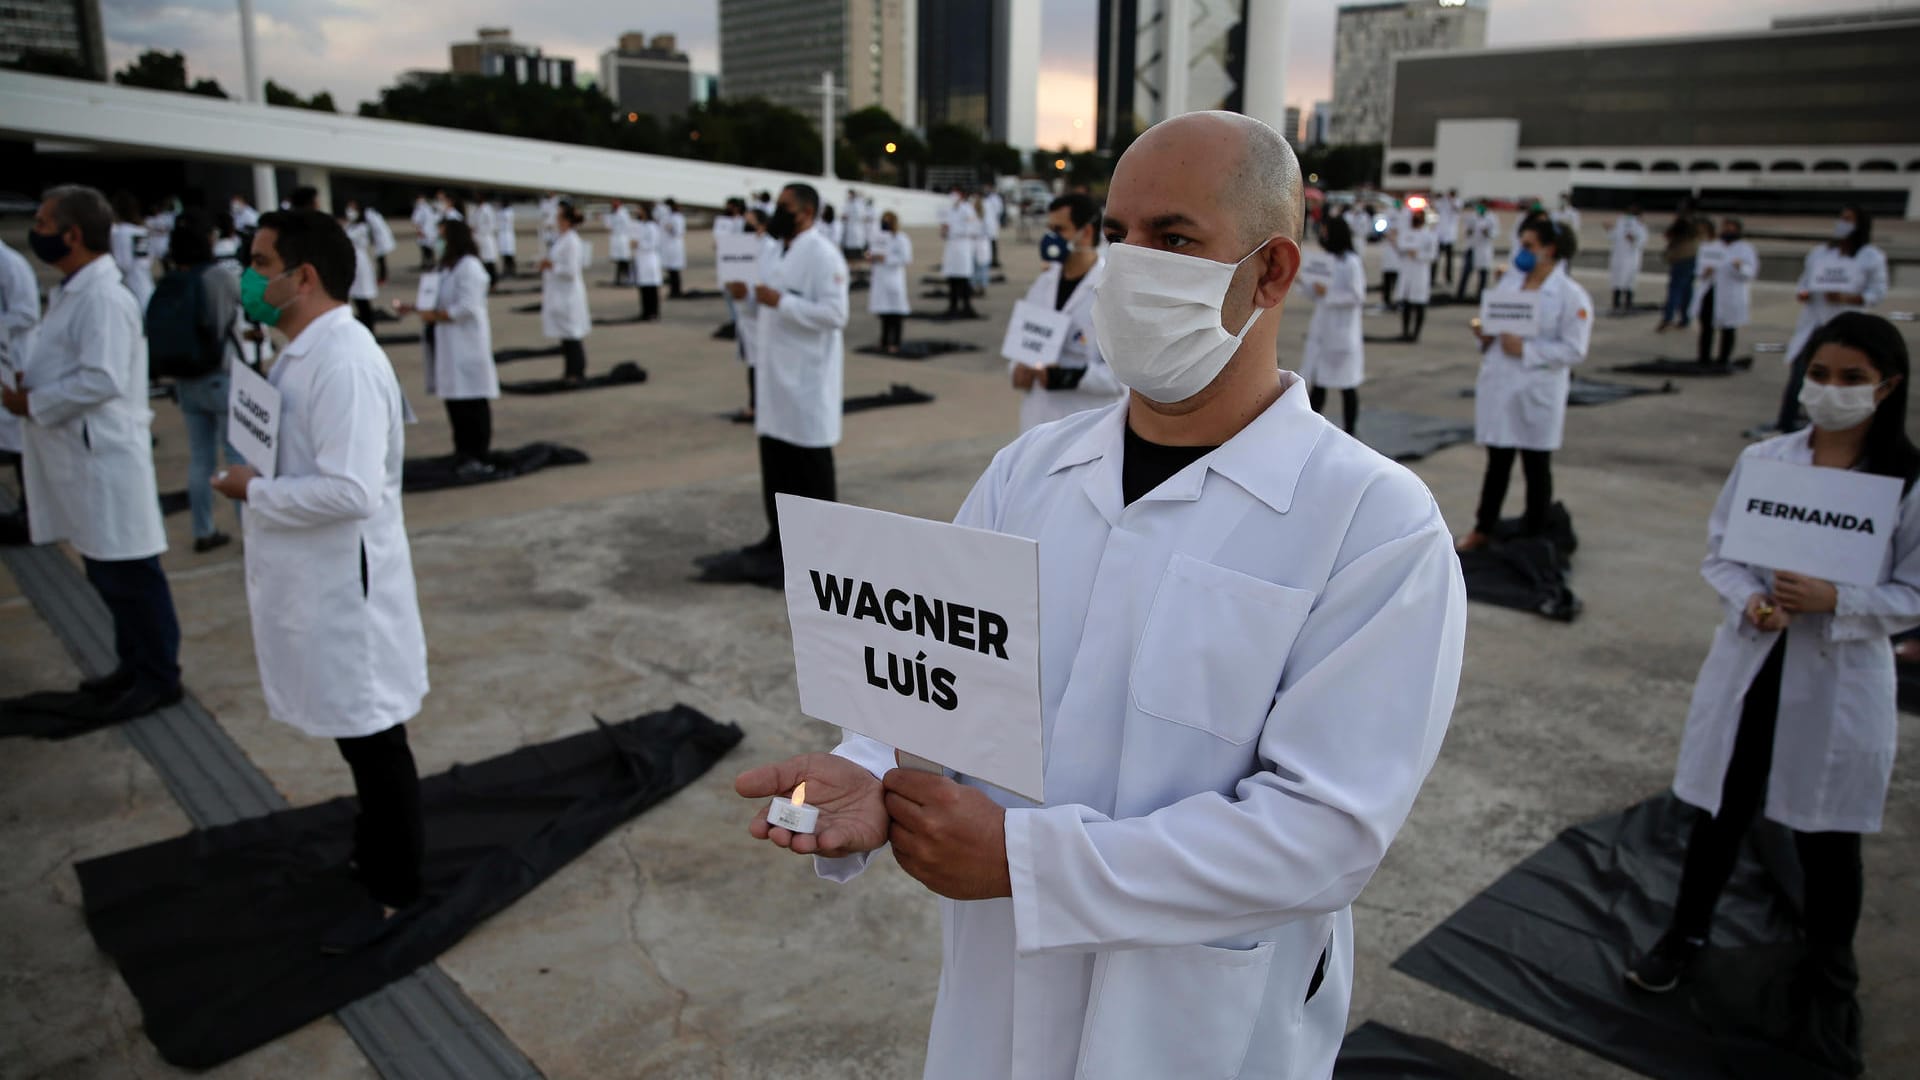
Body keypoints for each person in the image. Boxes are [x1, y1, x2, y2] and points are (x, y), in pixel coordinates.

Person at [735, 112, 1465, 1080]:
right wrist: (873, 768)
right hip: (1000, 999)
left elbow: (1323, 836)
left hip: (1197, 1027)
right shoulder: (1027, 473)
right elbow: (945, 679)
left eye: (1173, 239)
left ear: (1272, 271)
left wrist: (1028, 864)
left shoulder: (1372, 523)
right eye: (1116, 234)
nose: (1126, 265)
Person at [1625, 312, 1917, 1076]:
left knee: (1827, 839)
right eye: (1820, 374)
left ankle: (1829, 968)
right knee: (1722, 810)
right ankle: (1684, 935)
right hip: (1756, 662)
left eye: (1852, 379)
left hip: (1837, 674)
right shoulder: (1769, 462)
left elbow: (1914, 591)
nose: (1832, 391)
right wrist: (1752, 600)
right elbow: (1723, 551)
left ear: (1887, 387)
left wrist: (1838, 601)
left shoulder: (1906, 483)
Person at [208, 207, 430, 954]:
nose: (250, 276)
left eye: (261, 264)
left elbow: (352, 491)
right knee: (357, 735)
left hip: (348, 586)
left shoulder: (344, 361)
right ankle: (375, 854)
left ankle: (399, 880)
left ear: (304, 277)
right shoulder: (302, 350)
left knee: (374, 736)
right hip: (319, 578)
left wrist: (253, 493)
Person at [5, 184, 182, 721]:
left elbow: (101, 378)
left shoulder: (105, 297)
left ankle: (158, 674)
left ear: (72, 234)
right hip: (82, 456)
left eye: (42, 221)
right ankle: (133, 664)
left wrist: (33, 402)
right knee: (108, 571)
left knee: (131, 571)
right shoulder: (75, 291)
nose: (37, 232)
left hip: (104, 455)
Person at [701, 183, 848, 585]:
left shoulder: (822, 255)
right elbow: (760, 302)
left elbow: (835, 314)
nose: (776, 213)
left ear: (806, 212)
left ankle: (818, 552)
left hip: (806, 383)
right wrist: (745, 296)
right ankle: (778, 539)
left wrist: (781, 302)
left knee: (808, 469)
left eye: (784, 207)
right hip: (775, 381)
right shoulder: (773, 250)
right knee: (776, 466)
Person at [1456, 218, 1593, 552]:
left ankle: (1535, 531)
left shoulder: (1570, 296)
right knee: (1497, 463)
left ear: (1550, 250)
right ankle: (1483, 528)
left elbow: (1574, 349)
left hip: (1537, 389)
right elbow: (1492, 324)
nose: (1522, 252)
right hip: (1501, 385)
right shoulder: (1510, 285)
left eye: (1530, 246)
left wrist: (1528, 350)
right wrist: (1485, 336)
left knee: (1536, 465)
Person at [152, 211, 242, 553]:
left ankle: (203, 529)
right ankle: (250, 530)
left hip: (185, 380)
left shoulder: (171, 282)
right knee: (236, 457)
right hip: (219, 374)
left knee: (200, 459)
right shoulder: (218, 276)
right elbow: (245, 301)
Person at [1773, 206, 1891, 435]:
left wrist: (1846, 297)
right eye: (1841, 218)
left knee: (1834, 381)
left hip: (1845, 327)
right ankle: (1786, 424)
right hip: (1812, 324)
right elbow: (1804, 281)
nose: (1842, 223)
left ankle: (1827, 426)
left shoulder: (1871, 257)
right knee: (1799, 376)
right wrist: (1804, 291)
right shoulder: (1820, 253)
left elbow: (1877, 293)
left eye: (1848, 219)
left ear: (1860, 225)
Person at [1009, 193, 1120, 432]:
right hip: (1036, 421)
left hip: (1085, 425)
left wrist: (1066, 377)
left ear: (1087, 232)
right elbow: (1022, 347)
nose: (1050, 238)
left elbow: (1123, 378)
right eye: (1049, 229)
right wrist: (1017, 371)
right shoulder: (1042, 285)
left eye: (1060, 230)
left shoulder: (1112, 291)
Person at [409, 219, 498, 476]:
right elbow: (438, 299)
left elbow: (468, 307)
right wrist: (416, 308)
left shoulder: (470, 267)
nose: (438, 242)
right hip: (448, 345)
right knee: (455, 403)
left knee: (473, 403)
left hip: (466, 346)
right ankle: (462, 452)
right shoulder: (448, 268)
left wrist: (436, 316)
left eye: (442, 237)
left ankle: (478, 455)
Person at [1302, 217, 1368, 435]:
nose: (1323, 236)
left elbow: (1357, 296)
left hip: (1342, 333)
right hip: (1323, 330)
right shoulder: (1326, 259)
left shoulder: (1351, 262)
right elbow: (1316, 293)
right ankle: (1307, 432)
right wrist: (1307, 284)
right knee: (1318, 384)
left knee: (1347, 386)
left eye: (1326, 232)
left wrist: (1328, 294)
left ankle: (1351, 431)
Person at [0, 234, 41, 537]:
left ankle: (31, 513)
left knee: (22, 445)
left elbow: (27, 312)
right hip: (5, 364)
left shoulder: (11, 264)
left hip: (16, 363)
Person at [725, 208, 783, 422]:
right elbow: (733, 283)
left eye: (750, 223)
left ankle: (761, 407)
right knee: (753, 363)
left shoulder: (771, 248)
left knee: (763, 365)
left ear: (762, 226)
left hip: (761, 316)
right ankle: (755, 405)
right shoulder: (739, 246)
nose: (746, 227)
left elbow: (767, 283)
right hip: (746, 315)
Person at [1690, 217, 1758, 368]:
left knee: (1728, 327)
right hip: (1711, 290)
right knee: (1706, 325)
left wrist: (1739, 267)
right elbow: (1699, 268)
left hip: (1730, 293)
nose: (1727, 230)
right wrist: (1704, 271)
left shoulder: (1745, 249)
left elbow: (1751, 272)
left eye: (1731, 228)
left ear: (1738, 230)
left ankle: (1723, 359)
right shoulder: (1711, 246)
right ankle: (1703, 358)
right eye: (1725, 227)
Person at [540, 201, 592, 384]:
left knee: (572, 334)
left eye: (559, 218)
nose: (556, 221)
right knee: (565, 335)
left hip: (568, 293)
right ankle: (569, 370)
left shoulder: (572, 241)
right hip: (559, 292)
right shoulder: (561, 239)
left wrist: (551, 266)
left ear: (567, 221)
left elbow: (571, 270)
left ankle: (577, 371)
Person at [866, 210, 913, 356]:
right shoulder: (878, 237)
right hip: (880, 278)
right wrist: (872, 257)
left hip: (893, 278)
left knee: (896, 313)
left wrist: (886, 259)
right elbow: (872, 251)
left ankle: (896, 342)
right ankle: (884, 340)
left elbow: (906, 259)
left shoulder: (901, 238)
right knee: (884, 312)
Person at [1392, 208, 1439, 343]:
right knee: (1406, 304)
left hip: (1420, 272)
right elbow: (1400, 250)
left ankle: (1416, 334)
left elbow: (1433, 255)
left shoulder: (1429, 235)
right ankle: (1405, 332)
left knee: (1419, 304)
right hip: (1407, 271)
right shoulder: (1406, 233)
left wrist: (1418, 255)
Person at [1657, 200, 1700, 333]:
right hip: (1693, 257)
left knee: (1675, 289)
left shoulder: (1683, 222)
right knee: (1687, 289)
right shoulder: (1697, 221)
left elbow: (1669, 235)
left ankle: (1668, 318)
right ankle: (1685, 318)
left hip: (1681, 258)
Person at [109, 192, 156, 313]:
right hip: (147, 284)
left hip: (130, 287)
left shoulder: (121, 233)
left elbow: (123, 263)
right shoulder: (142, 231)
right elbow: (149, 259)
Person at [940, 186, 979, 317]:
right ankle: (953, 306)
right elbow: (944, 230)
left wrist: (954, 230)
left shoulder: (967, 209)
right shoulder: (948, 210)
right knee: (952, 278)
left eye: (955, 193)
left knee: (963, 278)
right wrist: (944, 230)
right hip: (951, 247)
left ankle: (967, 306)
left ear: (961, 195)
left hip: (963, 246)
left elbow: (972, 228)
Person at [339, 205, 380, 331]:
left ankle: (370, 326)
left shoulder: (362, 226)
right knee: (357, 297)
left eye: (353, 208)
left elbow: (347, 236)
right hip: (353, 260)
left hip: (360, 262)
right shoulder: (351, 225)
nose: (350, 211)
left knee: (364, 298)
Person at [1607, 205, 1648, 313]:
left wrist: (1633, 240)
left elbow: (1642, 241)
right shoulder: (1620, 222)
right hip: (1618, 256)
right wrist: (1609, 230)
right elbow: (1613, 236)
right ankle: (1616, 303)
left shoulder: (1639, 226)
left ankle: (1628, 303)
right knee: (1617, 280)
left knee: (1630, 280)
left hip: (1631, 258)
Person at [1456, 201, 1498, 303]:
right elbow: (1466, 231)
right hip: (1472, 248)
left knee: (1483, 274)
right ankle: (1460, 295)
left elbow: (1495, 232)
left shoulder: (1492, 218)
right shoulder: (1472, 217)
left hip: (1484, 249)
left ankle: (1480, 296)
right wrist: (1469, 231)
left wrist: (1487, 232)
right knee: (1466, 272)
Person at [632, 202, 664, 321]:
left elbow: (653, 244)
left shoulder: (652, 226)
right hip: (642, 259)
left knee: (651, 288)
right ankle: (645, 311)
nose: (637, 212)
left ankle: (653, 312)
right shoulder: (642, 225)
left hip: (650, 259)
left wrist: (638, 244)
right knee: (643, 287)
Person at [363, 202, 397, 284]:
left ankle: (382, 277)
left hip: (381, 240)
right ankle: (382, 277)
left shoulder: (369, 215)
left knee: (380, 260)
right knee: (381, 260)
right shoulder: (374, 215)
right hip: (381, 240)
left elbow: (371, 229)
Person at [662, 198, 689, 298]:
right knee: (671, 270)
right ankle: (673, 290)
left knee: (675, 271)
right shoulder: (669, 217)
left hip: (675, 246)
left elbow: (678, 232)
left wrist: (671, 228)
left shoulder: (678, 217)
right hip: (669, 246)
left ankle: (676, 291)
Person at [969, 192, 994, 301]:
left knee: (978, 266)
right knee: (981, 266)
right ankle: (979, 286)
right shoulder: (978, 214)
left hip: (979, 241)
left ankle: (977, 286)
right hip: (980, 242)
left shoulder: (982, 215)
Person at [470, 196, 498, 286]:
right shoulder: (475, 209)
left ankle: (493, 282)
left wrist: (479, 229)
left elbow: (491, 225)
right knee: (482, 262)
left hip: (486, 237)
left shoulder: (487, 210)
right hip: (478, 237)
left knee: (490, 261)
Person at [1434, 189, 1460, 285]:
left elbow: (1456, 209)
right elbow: (1435, 207)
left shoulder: (1457, 201)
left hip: (1450, 236)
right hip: (1440, 236)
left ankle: (1448, 278)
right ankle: (1433, 278)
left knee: (1449, 260)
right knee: (1436, 258)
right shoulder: (1442, 202)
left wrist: (1450, 200)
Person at [606, 199, 634, 286]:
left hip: (622, 238)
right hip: (616, 238)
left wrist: (629, 237)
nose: (614, 203)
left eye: (616, 202)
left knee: (624, 260)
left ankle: (627, 279)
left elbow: (628, 226)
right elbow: (608, 225)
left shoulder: (623, 213)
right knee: (618, 260)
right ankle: (618, 279)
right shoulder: (613, 213)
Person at [842, 189, 869, 264]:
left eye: (850, 194)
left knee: (856, 244)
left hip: (856, 228)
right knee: (849, 245)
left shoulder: (858, 204)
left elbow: (861, 216)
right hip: (849, 228)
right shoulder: (848, 203)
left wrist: (849, 217)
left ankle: (856, 259)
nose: (848, 196)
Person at [411, 195, 438, 270]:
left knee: (428, 249)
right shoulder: (425, 208)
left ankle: (429, 264)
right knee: (426, 249)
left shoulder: (423, 208)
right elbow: (416, 222)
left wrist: (419, 230)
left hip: (428, 232)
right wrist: (419, 230)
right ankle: (428, 264)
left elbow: (415, 222)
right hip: (427, 232)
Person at [982, 185, 1006, 268]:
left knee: (993, 244)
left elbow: (999, 210)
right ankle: (988, 260)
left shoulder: (995, 198)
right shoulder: (984, 199)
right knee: (986, 245)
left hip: (992, 223)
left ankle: (994, 260)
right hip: (986, 225)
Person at [494, 196, 518, 278]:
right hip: (502, 235)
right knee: (504, 254)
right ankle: (506, 270)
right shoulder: (500, 211)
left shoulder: (509, 211)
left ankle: (512, 270)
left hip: (508, 234)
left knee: (509, 254)